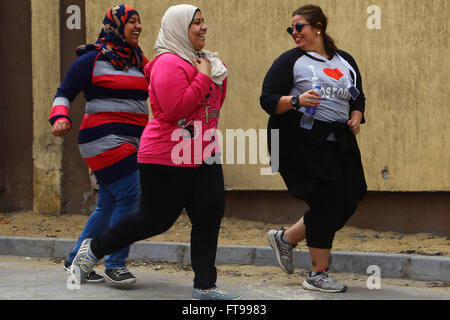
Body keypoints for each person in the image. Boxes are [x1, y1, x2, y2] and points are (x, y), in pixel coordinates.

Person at [69, 4, 241, 300]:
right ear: (179, 28)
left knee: (209, 214)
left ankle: (205, 286)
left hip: (204, 150)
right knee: (156, 220)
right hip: (166, 154)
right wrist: (203, 77)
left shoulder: (204, 61)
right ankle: (95, 247)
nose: (203, 28)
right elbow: (176, 109)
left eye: (203, 21)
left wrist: (212, 73)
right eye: (195, 23)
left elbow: (210, 110)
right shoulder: (167, 63)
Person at [260, 5, 367, 293]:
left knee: (352, 193)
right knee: (325, 199)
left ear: (318, 26)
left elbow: (357, 96)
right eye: (291, 28)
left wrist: (356, 117)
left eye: (299, 27)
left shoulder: (344, 61)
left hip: (338, 140)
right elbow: (268, 99)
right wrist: (296, 101)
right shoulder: (290, 61)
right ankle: (318, 274)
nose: (294, 33)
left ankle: (286, 238)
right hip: (298, 140)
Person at [49, 4, 149, 284]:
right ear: (116, 26)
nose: (138, 27)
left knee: (108, 203)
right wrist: (59, 117)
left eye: (140, 21)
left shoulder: (140, 60)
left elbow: (162, 86)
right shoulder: (92, 58)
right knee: (132, 195)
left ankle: (75, 261)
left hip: (133, 141)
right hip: (103, 139)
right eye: (132, 22)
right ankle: (115, 263)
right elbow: (64, 92)